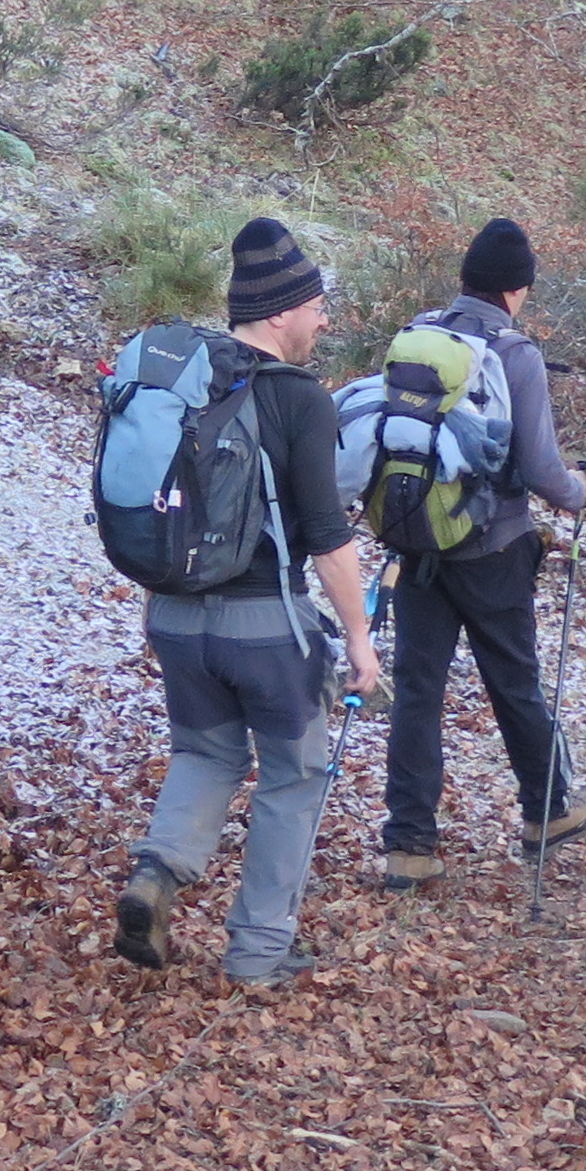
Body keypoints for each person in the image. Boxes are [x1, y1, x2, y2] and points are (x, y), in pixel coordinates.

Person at [110, 218, 383, 985]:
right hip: (265, 629)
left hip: (174, 616)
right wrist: (359, 637)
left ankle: (156, 874)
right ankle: (259, 952)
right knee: (294, 777)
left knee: (205, 752)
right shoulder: (299, 399)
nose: (323, 322)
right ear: (280, 312)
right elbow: (327, 535)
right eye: (316, 307)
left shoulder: (188, 385)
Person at [378, 218, 586, 890]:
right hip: (494, 547)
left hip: (416, 540)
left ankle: (409, 845)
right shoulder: (515, 353)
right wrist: (584, 492)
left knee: (418, 691)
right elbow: (542, 471)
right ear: (518, 288)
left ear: (465, 278)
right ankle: (548, 810)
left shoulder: (420, 334)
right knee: (513, 681)